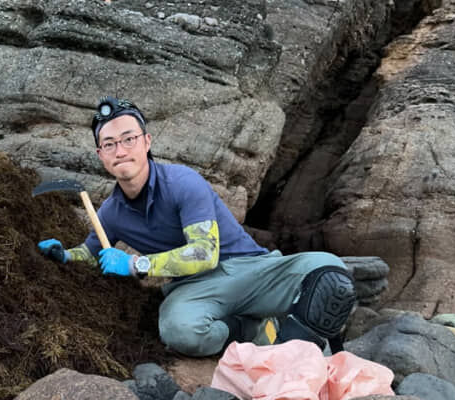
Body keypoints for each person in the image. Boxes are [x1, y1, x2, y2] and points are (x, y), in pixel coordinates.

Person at [38, 96, 356, 357]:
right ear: (100, 155)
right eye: (109, 144)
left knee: (328, 271)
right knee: (179, 332)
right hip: (194, 289)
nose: (120, 151)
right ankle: (244, 328)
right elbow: (92, 252)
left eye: (128, 139)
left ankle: (294, 354)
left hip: (250, 271)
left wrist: (138, 264)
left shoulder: (182, 182)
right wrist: (64, 256)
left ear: (146, 141)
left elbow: (205, 253)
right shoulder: (110, 213)